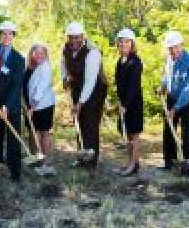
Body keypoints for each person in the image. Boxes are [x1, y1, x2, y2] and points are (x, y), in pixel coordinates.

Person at [61, 22, 108, 173]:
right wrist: (64, 79)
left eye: (77, 38)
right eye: (71, 38)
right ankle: (82, 158)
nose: (74, 41)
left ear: (83, 36)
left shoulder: (92, 52)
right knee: (78, 122)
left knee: (90, 124)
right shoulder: (67, 48)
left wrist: (80, 103)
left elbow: (90, 81)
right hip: (77, 86)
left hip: (94, 89)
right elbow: (63, 64)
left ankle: (91, 162)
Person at [157, 30, 189, 177]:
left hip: (188, 100)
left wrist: (176, 107)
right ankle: (170, 162)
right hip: (172, 97)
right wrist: (162, 85)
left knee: (187, 131)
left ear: (181, 45)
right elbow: (167, 75)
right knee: (168, 129)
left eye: (175, 47)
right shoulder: (169, 59)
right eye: (170, 48)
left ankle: (187, 165)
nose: (172, 50)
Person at [0, 21, 25, 182]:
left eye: (10, 33)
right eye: (3, 33)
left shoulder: (18, 59)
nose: (6, 36)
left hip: (11, 103)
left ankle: (14, 173)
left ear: (13, 36)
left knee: (13, 138)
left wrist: (6, 106)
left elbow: (16, 86)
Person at [114, 28, 144, 176]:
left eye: (127, 42)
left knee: (134, 135)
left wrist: (125, 104)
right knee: (126, 135)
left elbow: (133, 86)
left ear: (132, 44)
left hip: (133, 103)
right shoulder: (120, 61)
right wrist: (120, 102)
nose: (123, 44)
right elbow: (119, 84)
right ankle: (130, 162)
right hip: (124, 103)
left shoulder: (135, 62)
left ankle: (133, 164)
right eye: (121, 41)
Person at [23, 43, 56, 176]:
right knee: (31, 131)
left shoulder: (46, 68)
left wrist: (33, 107)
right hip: (28, 105)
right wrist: (26, 104)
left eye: (42, 53)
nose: (38, 56)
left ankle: (45, 163)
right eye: (36, 53)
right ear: (31, 54)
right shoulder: (27, 68)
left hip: (43, 105)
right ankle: (35, 158)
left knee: (43, 133)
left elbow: (41, 89)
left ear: (46, 55)